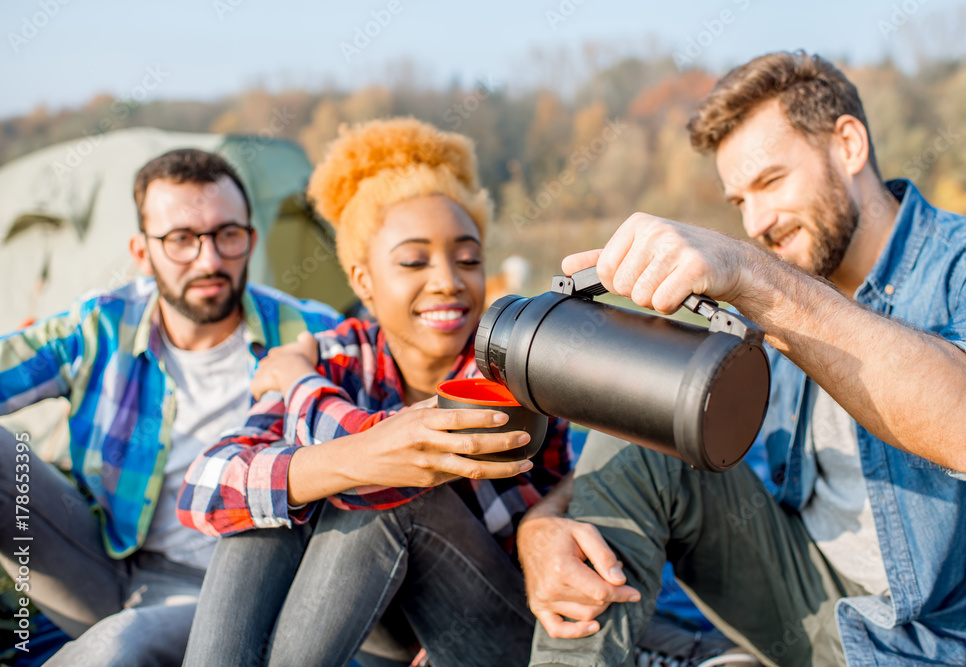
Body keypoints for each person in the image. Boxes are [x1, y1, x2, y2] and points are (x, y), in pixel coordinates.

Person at [518, 51, 966, 666]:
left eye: (771, 182)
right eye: (738, 201)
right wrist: (543, 527)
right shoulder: (784, 291)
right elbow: (649, 455)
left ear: (848, 145)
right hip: (812, 611)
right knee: (644, 433)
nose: (758, 222)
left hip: (944, 642)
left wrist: (752, 275)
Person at [178, 118, 571, 667]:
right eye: (414, 261)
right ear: (363, 281)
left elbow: (591, 473)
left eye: (469, 258)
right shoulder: (338, 355)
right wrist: (330, 453)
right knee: (269, 498)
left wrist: (299, 385)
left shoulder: (516, 362)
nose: (447, 281)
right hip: (392, 629)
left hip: (503, 630)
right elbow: (205, 485)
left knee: (397, 487)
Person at [0, 148, 342, 666]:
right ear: (142, 251)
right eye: (182, 239)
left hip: (226, 589)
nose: (209, 261)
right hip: (106, 557)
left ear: (251, 238)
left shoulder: (312, 333)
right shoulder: (101, 326)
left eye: (228, 234)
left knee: (114, 648)